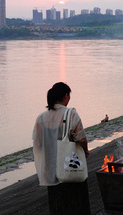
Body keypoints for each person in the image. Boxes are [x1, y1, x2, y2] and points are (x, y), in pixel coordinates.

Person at [32, 82, 91, 215]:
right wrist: (85, 150)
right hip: (70, 166)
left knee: (57, 204)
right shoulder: (71, 114)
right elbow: (81, 139)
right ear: (65, 95)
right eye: (69, 95)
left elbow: (38, 142)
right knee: (76, 202)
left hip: (51, 170)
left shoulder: (41, 118)